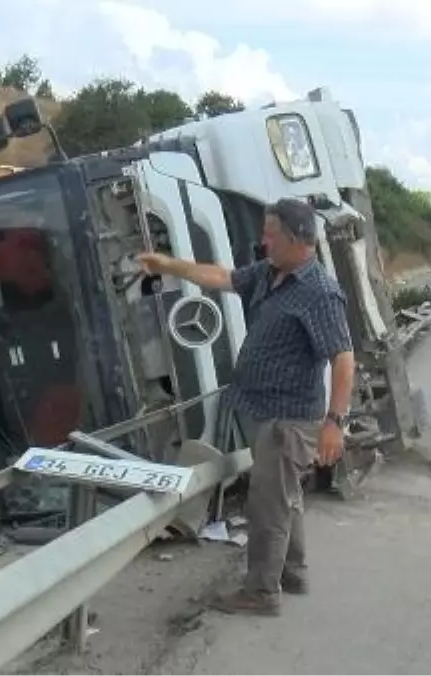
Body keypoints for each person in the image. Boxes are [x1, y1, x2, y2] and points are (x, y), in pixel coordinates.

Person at [137, 197, 355, 617]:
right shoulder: (270, 274)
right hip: (263, 410)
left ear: (296, 239)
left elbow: (343, 359)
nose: (263, 241)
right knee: (284, 498)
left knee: (268, 506)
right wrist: (169, 265)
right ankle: (292, 573)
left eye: (271, 234)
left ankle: (261, 592)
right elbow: (222, 276)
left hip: (288, 418)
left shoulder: (319, 292)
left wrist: (335, 423)